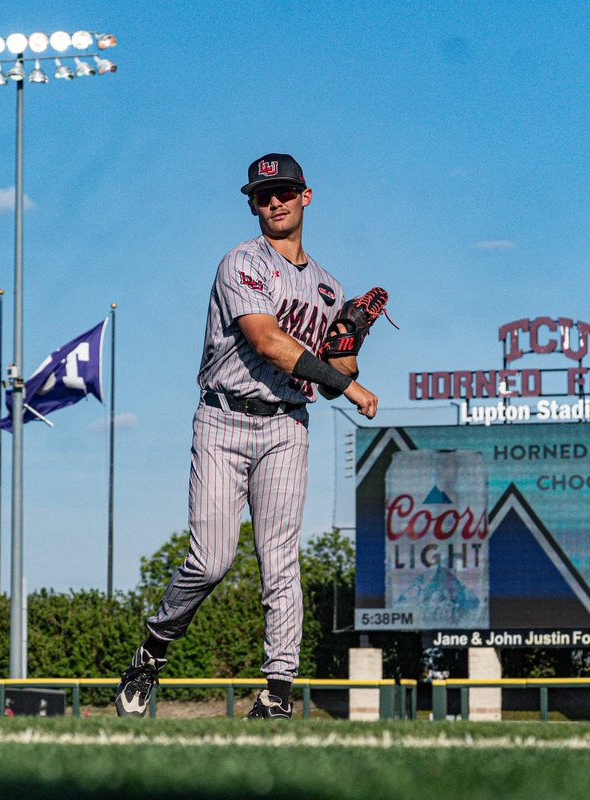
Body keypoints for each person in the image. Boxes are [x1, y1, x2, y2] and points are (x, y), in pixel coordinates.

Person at [115, 152, 378, 720]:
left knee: (280, 560)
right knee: (211, 560)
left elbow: (335, 377)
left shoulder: (329, 287)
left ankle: (277, 692)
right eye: (263, 195)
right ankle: (153, 649)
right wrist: (348, 384)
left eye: (284, 191)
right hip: (223, 418)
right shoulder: (242, 262)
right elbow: (267, 341)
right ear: (253, 205)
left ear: (306, 195)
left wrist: (349, 343)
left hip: (286, 423)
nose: (275, 201)